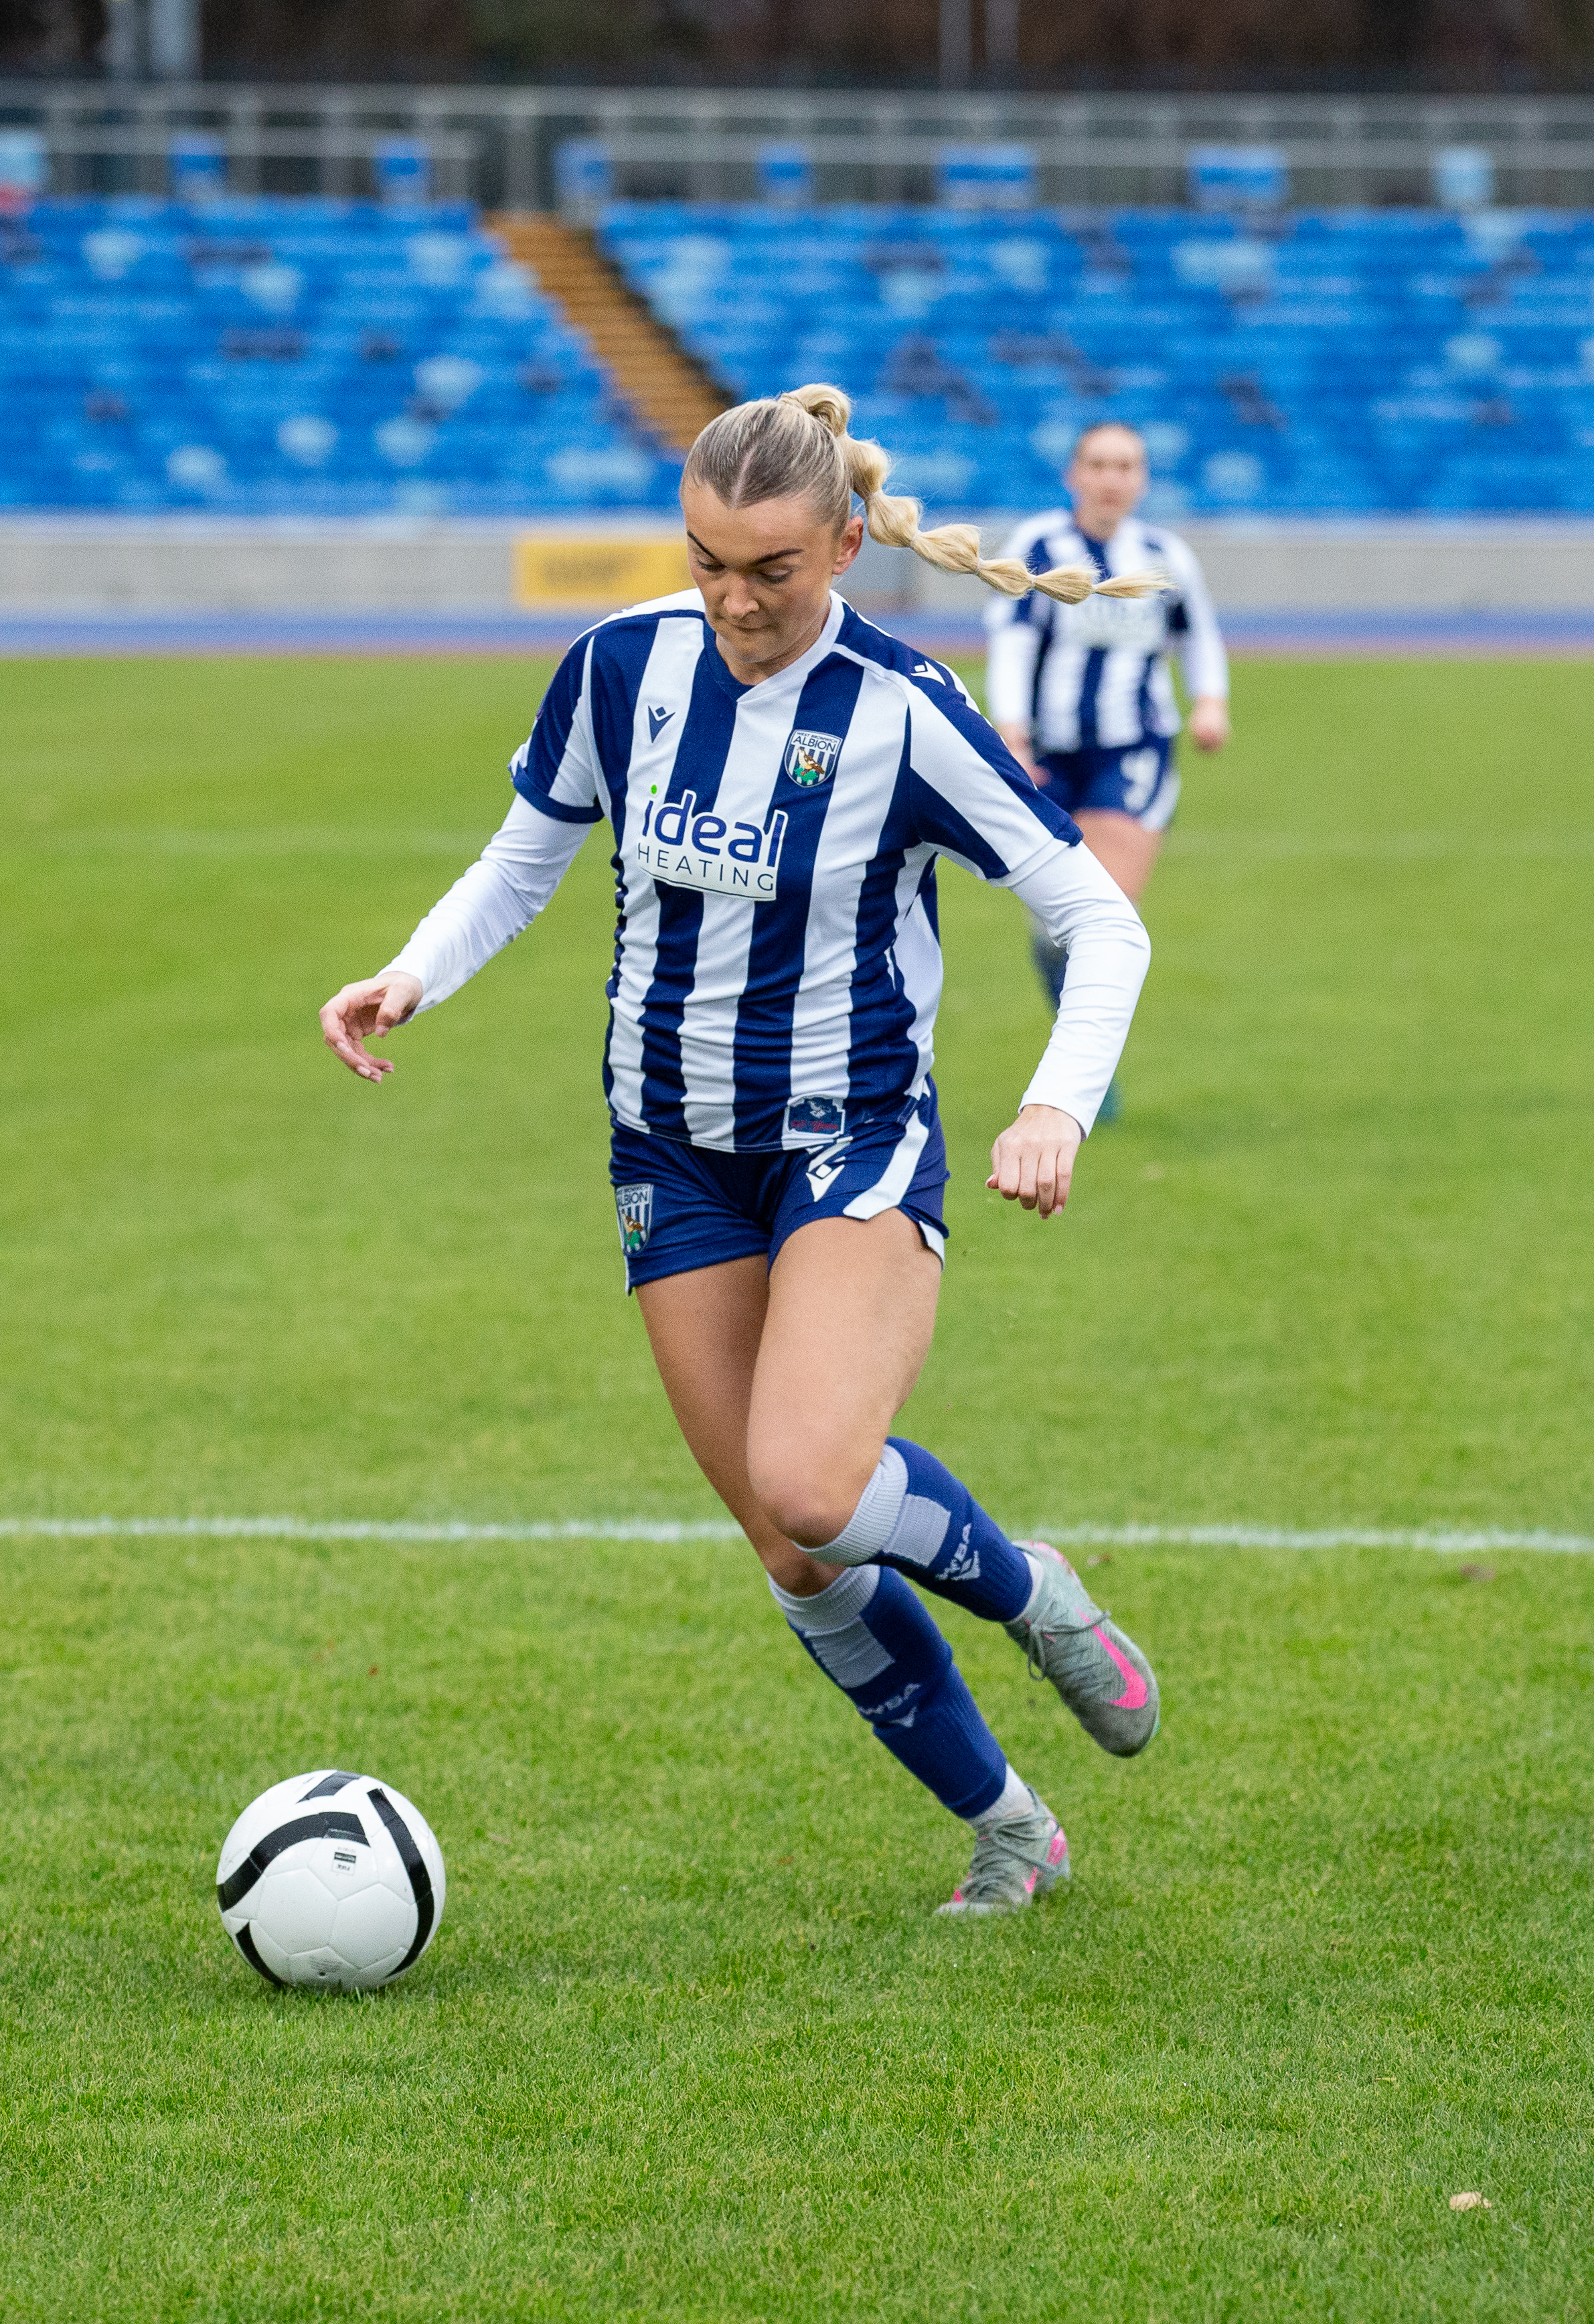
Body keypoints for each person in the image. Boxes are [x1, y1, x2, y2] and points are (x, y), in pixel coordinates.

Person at [319, 385, 1174, 1918]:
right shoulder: (618, 665)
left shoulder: (900, 711)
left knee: (810, 1479)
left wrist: (1053, 1100)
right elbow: (524, 857)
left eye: (769, 569)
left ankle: (1027, 1587)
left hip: (846, 1142)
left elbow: (1096, 919)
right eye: (706, 561)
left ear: (843, 545)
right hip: (668, 1151)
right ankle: (1007, 1828)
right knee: (793, 1551)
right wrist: (412, 971)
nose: (731, 599)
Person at [981, 421, 1230, 1093]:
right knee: (1052, 930)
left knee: (1104, 915)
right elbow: (1010, 642)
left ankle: (1084, 1077)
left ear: (1141, 478)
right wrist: (1012, 734)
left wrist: (1209, 702)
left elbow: (1197, 635)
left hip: (1132, 749)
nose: (1111, 478)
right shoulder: (1039, 546)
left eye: (1125, 466)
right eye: (1097, 464)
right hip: (1047, 756)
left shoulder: (1163, 555)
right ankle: (1076, 1036)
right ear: (1074, 474)